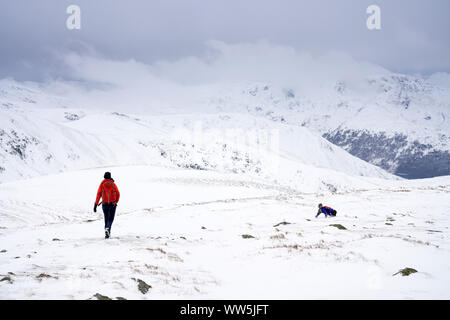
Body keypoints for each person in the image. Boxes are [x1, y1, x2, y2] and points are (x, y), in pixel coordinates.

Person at [94, 172, 120, 238]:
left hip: (104, 204)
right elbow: (118, 193)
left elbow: (98, 194)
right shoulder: (113, 184)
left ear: (104, 177)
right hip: (112, 204)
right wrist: (115, 202)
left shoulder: (102, 184)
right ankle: (108, 229)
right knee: (110, 219)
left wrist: (95, 204)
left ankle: (107, 233)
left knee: (106, 218)